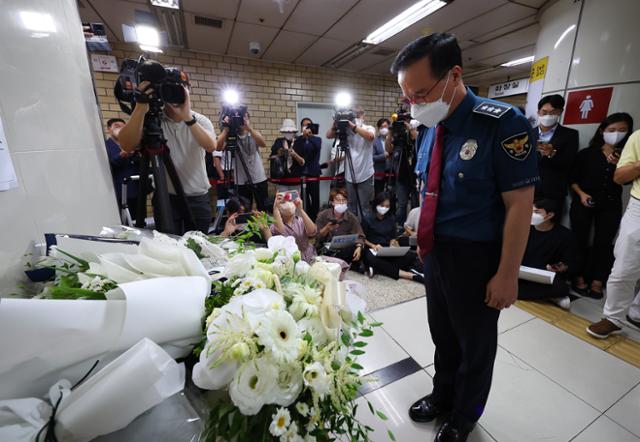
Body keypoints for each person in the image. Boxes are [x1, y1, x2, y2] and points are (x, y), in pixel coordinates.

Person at [392, 33, 539, 441]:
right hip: (437, 252)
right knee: (442, 334)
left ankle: (465, 414)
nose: (416, 104)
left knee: (475, 345)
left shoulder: (502, 124)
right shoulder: (428, 127)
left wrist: (507, 274)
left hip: (477, 257)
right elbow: (429, 188)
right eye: (409, 98)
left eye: (421, 93)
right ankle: (443, 394)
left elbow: (519, 207)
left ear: (454, 75)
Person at [117, 78, 217, 235]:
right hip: (166, 197)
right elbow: (126, 145)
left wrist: (187, 117)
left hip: (198, 195)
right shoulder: (153, 121)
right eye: (169, 88)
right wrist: (140, 108)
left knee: (200, 246)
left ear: (189, 91)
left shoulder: (200, 120)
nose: (175, 93)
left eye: (182, 88)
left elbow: (211, 146)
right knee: (170, 246)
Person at [570, 113, 633, 299]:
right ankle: (578, 277)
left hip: (610, 203)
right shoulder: (586, 154)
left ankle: (598, 281)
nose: (616, 134)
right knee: (579, 239)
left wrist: (618, 166)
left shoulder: (627, 158)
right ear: (602, 131)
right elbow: (572, 178)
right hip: (584, 200)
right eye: (611, 130)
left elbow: (627, 182)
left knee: (604, 243)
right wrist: (581, 194)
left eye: (622, 130)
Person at [587, 129, 640, 339]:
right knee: (625, 265)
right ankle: (612, 318)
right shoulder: (638, 137)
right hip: (639, 207)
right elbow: (619, 176)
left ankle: (636, 313)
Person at [519, 199, 577, 310]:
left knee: (562, 288)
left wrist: (558, 267)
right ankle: (550, 296)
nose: (531, 215)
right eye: (530, 211)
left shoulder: (564, 235)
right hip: (520, 271)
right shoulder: (523, 227)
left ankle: (548, 294)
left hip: (543, 275)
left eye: (536, 212)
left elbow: (569, 262)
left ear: (549, 215)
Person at [326, 106, 375, 219]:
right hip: (349, 175)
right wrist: (336, 123)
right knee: (351, 206)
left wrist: (353, 126)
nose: (357, 116)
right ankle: (352, 230)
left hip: (365, 174)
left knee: (364, 206)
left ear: (363, 115)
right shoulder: (346, 130)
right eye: (355, 114)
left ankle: (364, 232)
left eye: (359, 114)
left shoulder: (368, 128)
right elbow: (328, 135)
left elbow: (370, 136)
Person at [534, 94, 579, 217]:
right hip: (529, 189)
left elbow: (569, 163)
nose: (548, 116)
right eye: (544, 112)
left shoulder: (570, 135)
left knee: (550, 227)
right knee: (526, 227)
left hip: (553, 192)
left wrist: (551, 154)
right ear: (538, 112)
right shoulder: (528, 134)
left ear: (560, 112)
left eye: (553, 112)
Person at [362, 192, 422, 283]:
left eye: (387, 206)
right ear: (376, 204)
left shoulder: (391, 218)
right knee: (372, 259)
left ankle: (379, 269)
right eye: (382, 205)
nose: (384, 208)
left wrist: (392, 244)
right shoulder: (367, 218)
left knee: (410, 255)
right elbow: (362, 238)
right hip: (373, 249)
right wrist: (373, 245)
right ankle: (408, 275)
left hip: (387, 248)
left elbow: (393, 237)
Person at [217, 111, 269, 212]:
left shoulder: (253, 134)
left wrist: (249, 128)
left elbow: (263, 143)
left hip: (259, 178)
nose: (240, 120)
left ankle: (265, 228)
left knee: (263, 208)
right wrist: (226, 129)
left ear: (248, 120)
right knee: (244, 210)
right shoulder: (231, 136)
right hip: (241, 181)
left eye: (243, 117)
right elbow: (218, 148)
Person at [260, 191, 317, 263]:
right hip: (290, 262)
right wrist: (275, 207)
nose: (288, 204)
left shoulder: (300, 220)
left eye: (290, 201)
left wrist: (301, 210)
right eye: (283, 203)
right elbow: (281, 231)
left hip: (310, 257)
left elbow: (313, 232)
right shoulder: (275, 226)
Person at [105, 118, 142, 221]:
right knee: (123, 223)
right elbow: (108, 166)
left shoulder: (133, 144)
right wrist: (122, 156)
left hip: (137, 190)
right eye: (117, 126)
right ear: (109, 129)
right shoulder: (105, 146)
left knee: (139, 221)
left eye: (123, 127)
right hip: (118, 192)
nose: (120, 129)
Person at [315, 188, 365, 265]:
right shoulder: (323, 215)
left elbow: (360, 236)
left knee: (354, 250)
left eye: (344, 200)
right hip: (326, 248)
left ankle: (338, 263)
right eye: (338, 200)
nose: (341, 203)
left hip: (344, 248)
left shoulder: (351, 217)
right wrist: (327, 228)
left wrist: (359, 247)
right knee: (322, 252)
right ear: (332, 202)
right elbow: (316, 237)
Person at [385, 113, 418, 225]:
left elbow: (417, 138)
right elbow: (388, 149)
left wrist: (409, 128)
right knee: (402, 205)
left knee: (415, 204)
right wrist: (390, 132)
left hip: (414, 176)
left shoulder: (414, 134)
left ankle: (413, 227)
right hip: (401, 176)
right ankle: (400, 227)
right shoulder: (397, 137)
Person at [294, 117, 322, 221]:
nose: (306, 127)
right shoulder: (298, 140)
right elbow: (297, 151)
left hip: (313, 172)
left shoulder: (317, 139)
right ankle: (306, 219)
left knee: (315, 198)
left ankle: (314, 219)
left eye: (309, 125)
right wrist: (303, 138)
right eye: (304, 125)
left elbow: (317, 148)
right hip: (301, 172)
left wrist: (309, 137)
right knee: (303, 198)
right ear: (301, 127)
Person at [269, 119, 304, 192]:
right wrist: (279, 154)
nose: (288, 133)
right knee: (282, 202)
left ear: (294, 131)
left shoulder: (299, 141)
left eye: (290, 131)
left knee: (295, 202)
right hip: (281, 180)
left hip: (295, 180)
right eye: (286, 131)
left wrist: (294, 154)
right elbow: (270, 158)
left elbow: (302, 162)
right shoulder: (278, 141)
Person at [373, 118, 391, 195]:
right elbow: (372, 157)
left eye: (385, 126)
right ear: (378, 128)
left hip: (391, 172)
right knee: (379, 194)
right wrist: (384, 156)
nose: (384, 129)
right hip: (378, 173)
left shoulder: (394, 140)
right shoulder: (374, 141)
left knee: (391, 194)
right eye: (381, 127)